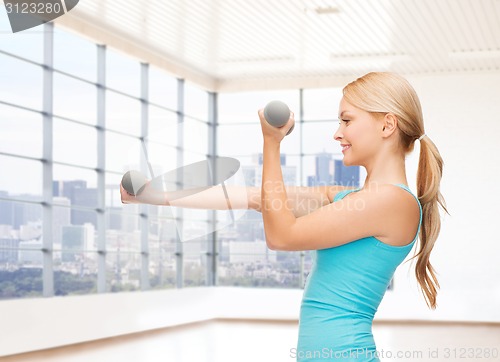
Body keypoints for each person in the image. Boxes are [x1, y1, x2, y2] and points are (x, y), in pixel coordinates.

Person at [121, 72, 447, 361]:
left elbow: (282, 236)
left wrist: (271, 143)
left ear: (387, 125)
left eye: (346, 121)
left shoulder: (391, 201)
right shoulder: (352, 200)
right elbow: (253, 198)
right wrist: (154, 196)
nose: (337, 133)